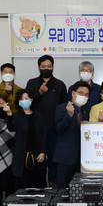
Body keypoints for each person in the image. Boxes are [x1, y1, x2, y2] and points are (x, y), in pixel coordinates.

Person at [25, 55, 67, 187]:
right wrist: (39, 93)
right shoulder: (32, 83)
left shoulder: (60, 84)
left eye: (49, 66)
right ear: (39, 67)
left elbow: (64, 108)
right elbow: (27, 105)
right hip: (36, 130)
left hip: (54, 130)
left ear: (53, 67)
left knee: (55, 160)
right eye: (43, 66)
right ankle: (39, 187)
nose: (46, 69)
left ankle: (55, 186)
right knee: (38, 161)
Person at [54, 81, 91, 188]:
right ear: (73, 93)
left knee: (78, 190)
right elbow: (58, 129)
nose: (83, 96)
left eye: (86, 95)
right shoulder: (61, 108)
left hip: (82, 159)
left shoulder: (86, 111)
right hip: (65, 157)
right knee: (62, 189)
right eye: (80, 93)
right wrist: (69, 116)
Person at [9, 89, 48, 188]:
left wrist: (43, 152)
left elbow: (44, 135)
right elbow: (11, 128)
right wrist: (9, 115)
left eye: (26, 98)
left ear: (31, 99)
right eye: (21, 99)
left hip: (38, 157)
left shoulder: (39, 116)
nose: (24, 100)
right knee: (22, 187)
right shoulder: (16, 116)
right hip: (21, 157)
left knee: (38, 186)